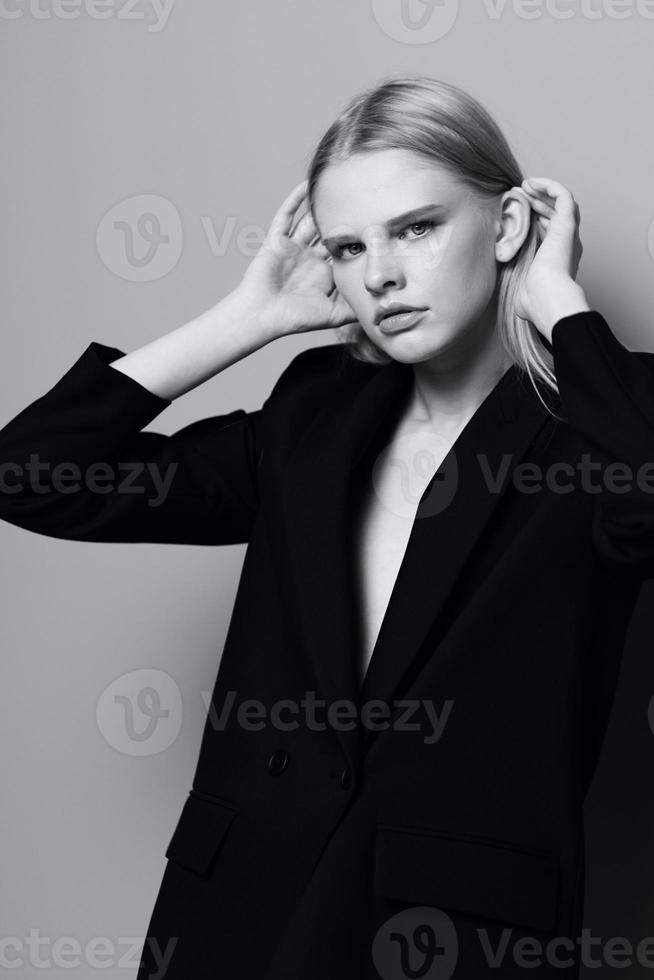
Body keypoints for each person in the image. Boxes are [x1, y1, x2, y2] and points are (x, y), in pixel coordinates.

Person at [1, 74, 652, 979]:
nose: (379, 273)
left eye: (417, 228)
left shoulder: (607, 413)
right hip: (242, 904)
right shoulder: (315, 412)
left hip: (452, 928)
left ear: (506, 227)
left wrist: (562, 307)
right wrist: (248, 318)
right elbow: (33, 478)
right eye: (349, 246)